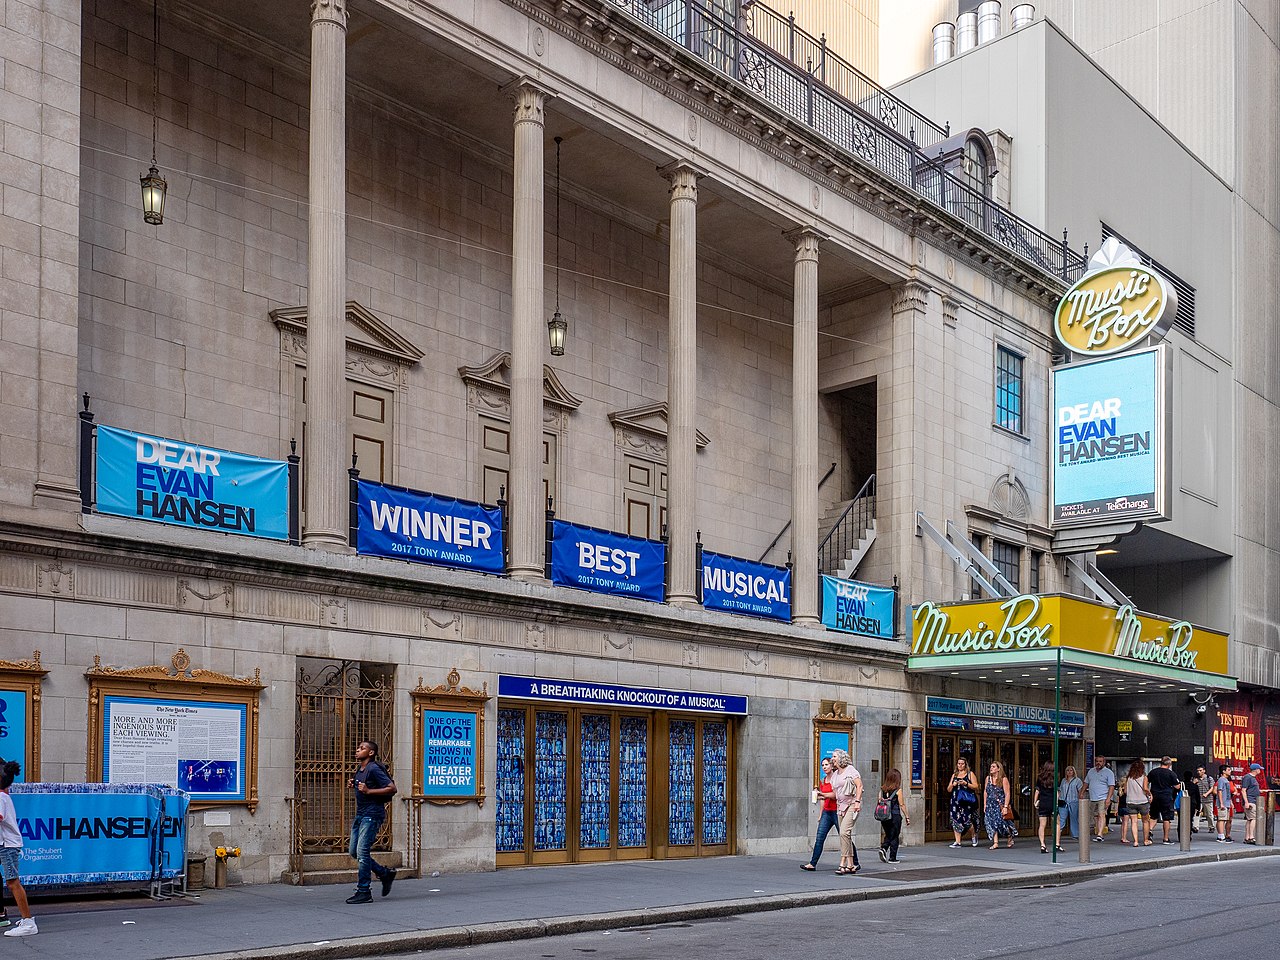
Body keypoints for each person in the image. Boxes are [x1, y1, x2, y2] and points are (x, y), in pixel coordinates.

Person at [345, 739, 397, 904]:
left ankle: (364, 891)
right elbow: (362, 786)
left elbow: (392, 788)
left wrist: (369, 790)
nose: (357, 750)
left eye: (362, 748)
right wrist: (353, 783)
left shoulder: (374, 768)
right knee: (354, 851)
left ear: (371, 753)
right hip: (361, 814)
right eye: (358, 747)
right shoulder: (360, 769)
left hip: (372, 814)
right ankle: (384, 873)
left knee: (362, 852)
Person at [0, 760, 35, 937]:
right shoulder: (3, 796)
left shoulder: (0, 797)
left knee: (12, 882)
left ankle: (28, 922)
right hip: (3, 844)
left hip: (7, 845)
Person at [802, 757, 839, 870]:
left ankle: (855, 862)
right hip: (827, 812)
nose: (824, 767)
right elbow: (823, 800)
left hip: (837, 811)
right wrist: (820, 813)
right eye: (823, 765)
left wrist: (822, 794)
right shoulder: (823, 781)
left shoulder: (836, 779)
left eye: (826, 765)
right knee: (819, 837)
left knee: (845, 837)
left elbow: (835, 795)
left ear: (831, 766)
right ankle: (812, 863)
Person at [830, 749, 862, 875]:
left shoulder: (851, 770)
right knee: (845, 835)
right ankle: (851, 864)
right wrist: (823, 795)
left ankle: (842, 862)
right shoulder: (835, 774)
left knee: (844, 832)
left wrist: (858, 802)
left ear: (841, 758)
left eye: (834, 756)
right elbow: (835, 793)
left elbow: (859, 786)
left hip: (852, 804)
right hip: (840, 806)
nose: (832, 758)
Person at [877, 767, 910, 863]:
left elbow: (879, 801)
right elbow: (902, 804)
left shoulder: (882, 789)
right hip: (894, 815)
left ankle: (883, 848)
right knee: (895, 835)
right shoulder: (898, 791)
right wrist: (907, 816)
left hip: (884, 816)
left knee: (889, 834)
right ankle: (892, 857)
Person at [947, 757, 981, 848]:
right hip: (955, 801)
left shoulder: (970, 774)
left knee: (967, 820)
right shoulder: (954, 775)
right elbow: (949, 789)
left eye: (962, 763)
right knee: (955, 819)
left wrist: (966, 783)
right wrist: (953, 784)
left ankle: (973, 835)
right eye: (958, 763)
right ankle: (958, 841)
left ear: (965, 765)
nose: (960, 765)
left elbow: (976, 787)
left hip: (966, 801)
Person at [1147, 756, 1180, 845]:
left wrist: (1149, 793)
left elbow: (1146, 782)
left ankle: (1149, 831)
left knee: (1153, 816)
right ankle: (1165, 838)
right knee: (1166, 818)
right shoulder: (1171, 774)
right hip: (1166, 797)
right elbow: (1177, 786)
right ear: (1169, 764)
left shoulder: (1153, 772)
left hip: (1154, 797)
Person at [983, 760, 1015, 849]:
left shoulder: (1003, 779)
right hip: (990, 804)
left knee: (1002, 823)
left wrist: (1005, 806)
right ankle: (995, 842)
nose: (991, 768)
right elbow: (985, 792)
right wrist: (985, 804)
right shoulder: (988, 778)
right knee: (991, 822)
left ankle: (1009, 836)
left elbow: (1007, 793)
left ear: (998, 769)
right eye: (991, 767)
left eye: (993, 767)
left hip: (1000, 804)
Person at [1084, 755, 1116, 842]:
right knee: (1095, 816)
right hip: (1093, 797)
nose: (1098, 763)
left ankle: (1100, 834)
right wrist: (1081, 792)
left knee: (1101, 814)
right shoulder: (1091, 771)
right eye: (1097, 761)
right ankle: (1098, 831)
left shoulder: (1108, 772)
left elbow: (1111, 786)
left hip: (1103, 797)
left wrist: (1108, 798)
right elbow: (1086, 783)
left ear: (1104, 762)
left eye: (1100, 761)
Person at [1055, 765, 1083, 850]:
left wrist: (1080, 800)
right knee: (1061, 819)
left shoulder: (1077, 781)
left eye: (1071, 770)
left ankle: (1075, 834)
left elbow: (1080, 791)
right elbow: (1060, 790)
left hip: (1074, 801)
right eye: (1068, 770)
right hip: (1063, 801)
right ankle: (1058, 834)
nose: (1069, 772)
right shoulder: (1063, 780)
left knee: (1074, 818)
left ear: (1074, 772)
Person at [1123, 760, 1151, 847]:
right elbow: (1145, 788)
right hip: (1142, 801)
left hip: (1131, 801)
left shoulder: (1128, 778)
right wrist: (1149, 794)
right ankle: (1146, 840)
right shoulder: (1144, 777)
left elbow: (1125, 791)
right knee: (1145, 821)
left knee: (1134, 822)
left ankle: (1135, 841)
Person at [1032, 762, 1055, 853]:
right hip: (1052, 802)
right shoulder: (1055, 777)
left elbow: (1037, 791)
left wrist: (1035, 801)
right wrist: (1057, 804)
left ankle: (1042, 844)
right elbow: (1057, 792)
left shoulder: (1040, 778)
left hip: (1043, 802)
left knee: (1042, 825)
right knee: (1056, 823)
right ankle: (1057, 843)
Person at [1241, 763, 1262, 845]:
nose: (1260, 770)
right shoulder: (1248, 777)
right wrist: (1246, 802)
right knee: (1253, 818)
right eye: (1259, 769)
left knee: (1249, 819)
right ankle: (1251, 837)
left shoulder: (1253, 778)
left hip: (1253, 800)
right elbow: (1243, 790)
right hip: (1250, 801)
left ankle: (1247, 837)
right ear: (1256, 770)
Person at [1214, 763, 1234, 843]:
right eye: (1228, 770)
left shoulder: (1226, 780)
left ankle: (1222, 835)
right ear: (1223, 771)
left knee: (1225, 819)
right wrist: (1221, 803)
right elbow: (1219, 791)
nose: (1230, 771)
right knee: (1221, 819)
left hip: (1227, 802)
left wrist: (1230, 802)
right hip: (1223, 803)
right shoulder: (1221, 780)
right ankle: (1221, 836)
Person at [1193, 765, 1216, 833]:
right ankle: (1195, 827)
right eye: (1198, 771)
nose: (1199, 772)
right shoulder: (1196, 779)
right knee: (1197, 813)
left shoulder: (1209, 779)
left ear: (1204, 771)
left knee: (1209, 814)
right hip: (1199, 799)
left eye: (1200, 770)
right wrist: (1194, 783)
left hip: (1208, 799)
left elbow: (1212, 787)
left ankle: (1211, 826)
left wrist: (1207, 794)